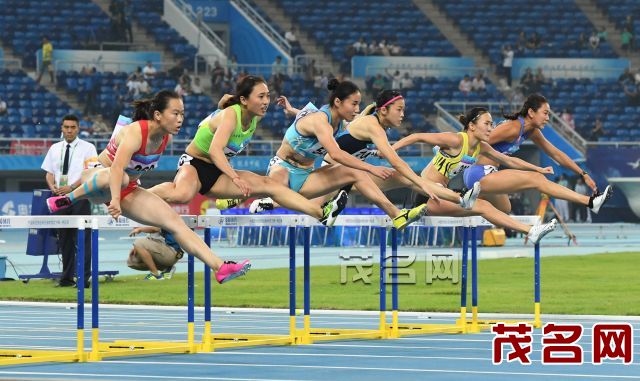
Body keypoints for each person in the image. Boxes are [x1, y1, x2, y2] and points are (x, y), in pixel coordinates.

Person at [45, 90, 250, 284]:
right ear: (158, 115)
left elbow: (205, 127)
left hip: (127, 188)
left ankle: (220, 267)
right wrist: (115, 199)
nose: (180, 119)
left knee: (175, 223)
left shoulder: (165, 138)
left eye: (182, 114)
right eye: (175, 113)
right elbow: (116, 169)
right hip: (97, 178)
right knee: (122, 177)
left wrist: (222, 107)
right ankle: (67, 198)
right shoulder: (135, 132)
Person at [148, 76, 347, 226]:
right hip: (195, 163)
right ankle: (136, 195)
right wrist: (235, 178)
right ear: (244, 100)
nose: (266, 101)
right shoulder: (231, 115)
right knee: (182, 195)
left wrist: (292, 110)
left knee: (270, 185)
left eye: (268, 96)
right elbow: (215, 151)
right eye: (261, 96)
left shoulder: (255, 117)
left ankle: (321, 214)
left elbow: (309, 117)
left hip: (218, 173)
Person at [245, 80, 434, 230]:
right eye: (353, 104)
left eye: (359, 104)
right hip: (282, 167)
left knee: (356, 173)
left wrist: (291, 109)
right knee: (278, 186)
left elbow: (303, 114)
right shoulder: (321, 121)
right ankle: (247, 198)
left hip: (306, 175)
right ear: (338, 102)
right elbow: (335, 154)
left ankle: (396, 215)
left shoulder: (340, 125)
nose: (358, 110)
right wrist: (371, 167)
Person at [271, 89, 481, 210]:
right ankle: (267, 202)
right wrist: (420, 183)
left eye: (404, 110)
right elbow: (396, 161)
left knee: (403, 177)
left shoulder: (367, 124)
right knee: (300, 206)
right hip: (333, 174)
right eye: (399, 110)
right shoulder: (372, 126)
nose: (402, 115)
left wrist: (292, 110)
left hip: (350, 176)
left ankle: (458, 199)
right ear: (383, 110)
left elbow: (317, 119)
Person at [391, 107, 558, 244]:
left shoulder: (482, 147)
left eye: (492, 124)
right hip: (425, 196)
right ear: (472, 126)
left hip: (443, 194)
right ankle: (531, 231)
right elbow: (416, 136)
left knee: (484, 205)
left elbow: (509, 161)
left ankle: (530, 231)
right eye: (486, 124)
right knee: (482, 206)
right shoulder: (455, 140)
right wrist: (390, 150)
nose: (491, 129)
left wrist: (538, 169)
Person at [459, 94, 612, 216]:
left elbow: (556, 154)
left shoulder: (532, 132)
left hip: (487, 175)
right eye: (545, 113)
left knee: (505, 208)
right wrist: (454, 165)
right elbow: (473, 141)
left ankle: (458, 201)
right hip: (479, 173)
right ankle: (590, 202)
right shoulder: (512, 128)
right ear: (531, 112)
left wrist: (583, 174)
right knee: (537, 178)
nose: (548, 118)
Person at [41, 114, 98, 287]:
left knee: (83, 240)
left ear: (78, 128)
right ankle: (66, 278)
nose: (69, 130)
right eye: (66, 127)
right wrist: (53, 187)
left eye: (73, 127)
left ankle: (84, 279)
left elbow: (91, 174)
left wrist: (71, 188)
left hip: (79, 197)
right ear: (61, 128)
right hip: (59, 199)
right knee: (64, 239)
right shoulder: (54, 148)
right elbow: (49, 173)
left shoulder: (88, 148)